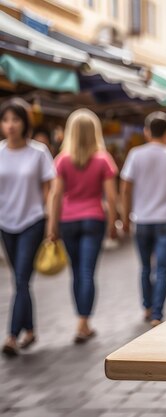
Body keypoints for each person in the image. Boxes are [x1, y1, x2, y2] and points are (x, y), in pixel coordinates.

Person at [47, 109, 118, 344]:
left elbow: (56, 195)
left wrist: (52, 226)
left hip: (68, 220)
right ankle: (83, 322)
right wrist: (113, 224)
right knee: (88, 272)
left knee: (76, 273)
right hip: (93, 219)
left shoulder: (62, 160)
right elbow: (111, 196)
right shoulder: (103, 159)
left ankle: (80, 319)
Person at [120, 112, 166, 326]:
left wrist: (125, 217)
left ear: (147, 132)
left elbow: (125, 189)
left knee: (145, 268)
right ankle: (157, 314)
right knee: (163, 269)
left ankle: (147, 307)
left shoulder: (135, 154)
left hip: (141, 220)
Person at [0, 98, 55, 357]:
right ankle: (30, 330)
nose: (10, 125)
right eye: (6, 120)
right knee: (20, 281)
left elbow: (49, 192)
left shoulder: (38, 153)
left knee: (22, 278)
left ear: (25, 123)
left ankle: (12, 336)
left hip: (32, 222)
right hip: (5, 224)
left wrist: (51, 225)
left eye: (15, 120)